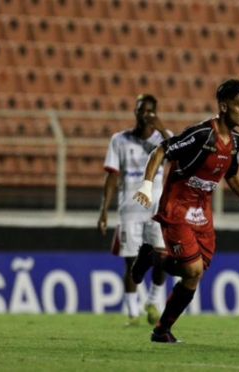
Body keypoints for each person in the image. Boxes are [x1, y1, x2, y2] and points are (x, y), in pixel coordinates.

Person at [131, 79, 239, 342]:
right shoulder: (201, 135)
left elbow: (231, 175)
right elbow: (162, 150)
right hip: (177, 207)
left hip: (202, 211)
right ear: (223, 106)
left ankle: (162, 330)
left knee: (194, 275)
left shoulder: (236, 143)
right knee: (193, 269)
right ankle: (152, 257)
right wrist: (147, 185)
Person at [98, 94, 172, 326]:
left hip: (157, 208)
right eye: (141, 110)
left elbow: (179, 159)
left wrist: (161, 129)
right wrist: (103, 211)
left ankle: (153, 301)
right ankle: (132, 313)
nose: (145, 115)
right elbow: (112, 176)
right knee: (131, 261)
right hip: (129, 210)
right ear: (135, 112)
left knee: (162, 257)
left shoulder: (165, 138)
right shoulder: (119, 140)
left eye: (150, 111)